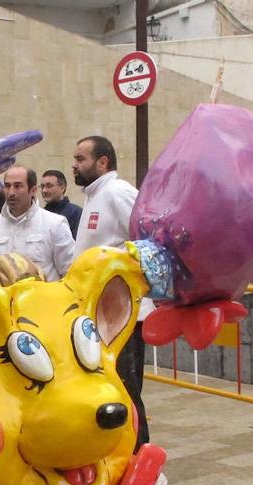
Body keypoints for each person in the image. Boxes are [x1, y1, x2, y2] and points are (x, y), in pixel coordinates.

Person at [72, 136, 157, 460]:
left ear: (103, 162)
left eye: (81, 158)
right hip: (99, 317)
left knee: (126, 391)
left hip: (125, 317)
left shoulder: (118, 193)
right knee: (109, 391)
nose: (75, 165)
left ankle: (145, 468)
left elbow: (148, 239)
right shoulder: (95, 197)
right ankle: (118, 460)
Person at [0, 165, 74, 282]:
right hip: (0, 300)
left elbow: (70, 273)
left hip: (43, 299)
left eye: (18, 186)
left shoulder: (55, 224)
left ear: (33, 190)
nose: (11, 192)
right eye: (7, 186)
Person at [39, 169, 82, 238]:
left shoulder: (76, 213)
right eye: (42, 186)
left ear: (62, 188)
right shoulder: (40, 214)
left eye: (49, 186)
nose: (44, 190)